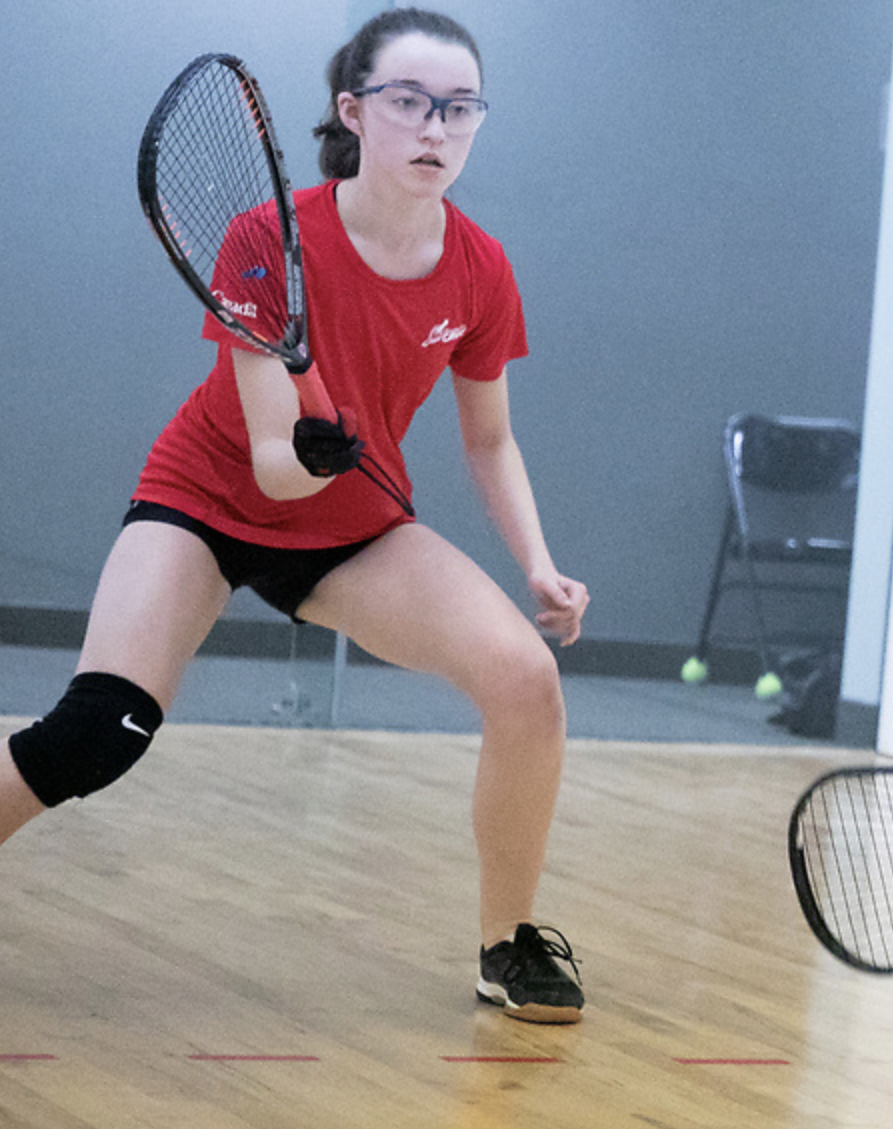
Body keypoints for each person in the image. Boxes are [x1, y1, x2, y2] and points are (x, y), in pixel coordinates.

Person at [2, 8, 592, 1024]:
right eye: (408, 102)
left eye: (458, 108)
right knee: (100, 731)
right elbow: (274, 466)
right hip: (205, 501)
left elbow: (489, 441)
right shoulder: (266, 239)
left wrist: (536, 562)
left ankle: (508, 942)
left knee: (526, 682)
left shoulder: (480, 268)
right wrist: (310, 453)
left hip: (353, 531)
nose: (433, 129)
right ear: (354, 111)